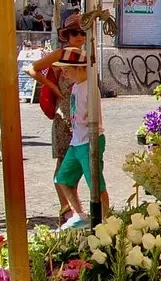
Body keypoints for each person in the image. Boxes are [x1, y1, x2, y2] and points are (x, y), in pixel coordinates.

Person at [26, 14, 90, 224]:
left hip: (82, 114)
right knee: (65, 162)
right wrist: (52, 87)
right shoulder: (62, 54)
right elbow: (32, 68)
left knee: (80, 162)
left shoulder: (86, 54)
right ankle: (67, 209)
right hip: (65, 114)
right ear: (67, 35)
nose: (79, 36)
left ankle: (75, 208)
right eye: (75, 32)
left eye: (82, 32)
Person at [53, 47, 109, 230]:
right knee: (62, 179)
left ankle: (105, 220)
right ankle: (79, 214)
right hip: (76, 141)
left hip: (89, 141)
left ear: (80, 68)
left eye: (67, 70)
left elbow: (91, 116)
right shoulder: (76, 87)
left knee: (95, 183)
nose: (64, 74)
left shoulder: (90, 88)